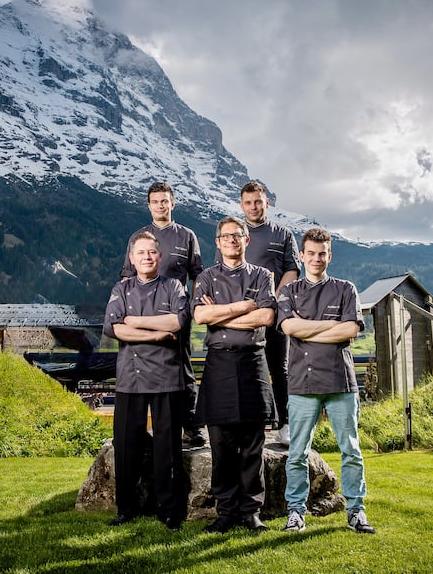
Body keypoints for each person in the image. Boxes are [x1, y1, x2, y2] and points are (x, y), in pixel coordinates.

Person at [277, 227, 376, 534]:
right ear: (302, 256)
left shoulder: (346, 289)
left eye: (322, 254)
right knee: (297, 453)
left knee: (351, 450)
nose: (317, 259)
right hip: (302, 385)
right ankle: (295, 512)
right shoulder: (289, 292)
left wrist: (309, 329)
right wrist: (329, 326)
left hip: (340, 382)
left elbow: (350, 331)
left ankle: (356, 511)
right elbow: (289, 327)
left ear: (329, 255)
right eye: (311, 253)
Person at [192, 216, 278, 533]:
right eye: (225, 236)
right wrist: (246, 306)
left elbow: (267, 317)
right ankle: (225, 511)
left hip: (253, 363)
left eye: (237, 235)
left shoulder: (263, 275)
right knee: (221, 446)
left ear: (246, 240)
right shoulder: (206, 277)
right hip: (219, 364)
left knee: (253, 445)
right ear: (217, 242)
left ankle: (251, 512)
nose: (231, 240)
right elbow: (201, 315)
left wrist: (221, 315)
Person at [104, 231, 189, 530]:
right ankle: (126, 507)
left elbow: (178, 321)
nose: (147, 257)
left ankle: (170, 509)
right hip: (131, 377)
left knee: (168, 447)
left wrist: (135, 321)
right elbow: (115, 329)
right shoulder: (121, 288)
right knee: (126, 445)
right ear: (132, 257)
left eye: (152, 252)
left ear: (160, 256)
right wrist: (155, 333)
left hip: (167, 377)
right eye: (141, 253)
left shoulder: (174, 286)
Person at [121, 182, 206, 447]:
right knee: (141, 365)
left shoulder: (187, 235)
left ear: (173, 203)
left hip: (174, 313)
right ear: (149, 205)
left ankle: (190, 426)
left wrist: (191, 307)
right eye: (156, 201)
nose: (160, 205)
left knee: (182, 367)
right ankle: (141, 427)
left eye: (165, 201)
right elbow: (126, 277)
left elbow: (198, 276)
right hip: (142, 312)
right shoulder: (138, 237)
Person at [215, 181, 300, 445]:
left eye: (258, 202)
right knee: (247, 367)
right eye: (248, 203)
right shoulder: (232, 235)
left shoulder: (283, 234)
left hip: (273, 313)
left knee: (280, 367)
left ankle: (285, 423)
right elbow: (222, 273)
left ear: (267, 202)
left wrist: (272, 299)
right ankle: (254, 422)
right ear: (241, 205)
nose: (253, 207)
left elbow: (292, 270)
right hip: (241, 315)